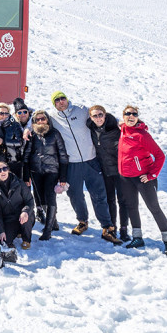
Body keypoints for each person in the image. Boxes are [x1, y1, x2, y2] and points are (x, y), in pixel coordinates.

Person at [48, 91, 120, 243]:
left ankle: (107, 226)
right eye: (57, 100)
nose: (61, 102)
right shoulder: (52, 118)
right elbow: (35, 121)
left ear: (67, 99)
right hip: (72, 164)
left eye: (63, 98)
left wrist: (123, 123)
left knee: (99, 195)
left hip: (91, 160)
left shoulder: (81, 110)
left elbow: (101, 116)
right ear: (54, 104)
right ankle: (82, 221)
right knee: (75, 195)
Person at [118, 106, 167, 255]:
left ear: (137, 117)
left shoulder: (142, 135)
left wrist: (151, 175)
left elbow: (160, 155)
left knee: (154, 208)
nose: (131, 116)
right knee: (132, 206)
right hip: (126, 177)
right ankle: (137, 238)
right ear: (123, 116)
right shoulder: (122, 129)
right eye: (127, 114)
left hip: (143, 178)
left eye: (134, 114)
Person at [87, 105, 130, 242]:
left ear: (105, 115)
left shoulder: (115, 126)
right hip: (105, 171)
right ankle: (112, 229)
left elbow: (134, 125)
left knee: (123, 201)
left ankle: (124, 229)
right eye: (95, 116)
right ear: (90, 117)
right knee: (110, 200)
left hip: (120, 170)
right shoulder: (90, 127)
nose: (98, 118)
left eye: (100, 115)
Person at [23, 111, 68, 241]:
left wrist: (63, 176)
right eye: (38, 119)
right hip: (36, 171)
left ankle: (48, 230)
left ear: (47, 120)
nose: (41, 121)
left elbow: (63, 156)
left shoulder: (55, 134)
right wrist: (27, 176)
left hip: (52, 171)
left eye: (43, 118)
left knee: (50, 197)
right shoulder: (33, 135)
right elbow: (26, 156)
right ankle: (52, 221)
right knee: (40, 198)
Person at [0, 160, 35, 249]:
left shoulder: (19, 183)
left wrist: (25, 211)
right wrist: (1, 231)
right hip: (9, 220)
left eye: (4, 168)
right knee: (4, 241)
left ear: (8, 170)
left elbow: (30, 201)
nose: (2, 172)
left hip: (23, 215)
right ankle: (17, 231)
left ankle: (26, 239)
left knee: (26, 218)